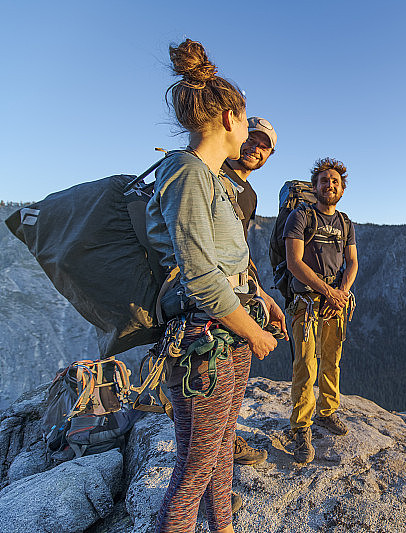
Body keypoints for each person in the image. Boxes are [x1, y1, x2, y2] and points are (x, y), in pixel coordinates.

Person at [146, 39, 282, 533]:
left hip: (225, 336)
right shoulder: (185, 174)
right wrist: (254, 332)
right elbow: (201, 276)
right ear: (229, 118)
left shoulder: (215, 179)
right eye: (246, 120)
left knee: (222, 447)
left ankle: (222, 526)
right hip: (204, 343)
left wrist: (262, 299)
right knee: (193, 468)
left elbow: (230, 261)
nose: (248, 131)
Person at [284, 157, 358, 464]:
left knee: (332, 360)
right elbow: (294, 262)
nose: (330, 185)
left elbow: (352, 262)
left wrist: (341, 293)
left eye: (335, 181)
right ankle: (301, 426)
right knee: (306, 364)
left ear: (342, 189)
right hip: (308, 304)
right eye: (324, 180)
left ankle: (328, 411)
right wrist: (329, 292)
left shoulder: (345, 223)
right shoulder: (300, 218)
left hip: (334, 305)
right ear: (314, 187)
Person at [220, 116, 284, 465]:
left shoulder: (250, 195)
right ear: (237, 134)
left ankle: (226, 445)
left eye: (264, 146)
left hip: (237, 294)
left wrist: (262, 295)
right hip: (208, 302)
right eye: (252, 139)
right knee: (216, 388)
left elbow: (238, 252)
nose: (255, 148)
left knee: (233, 386)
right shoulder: (210, 174)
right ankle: (206, 471)